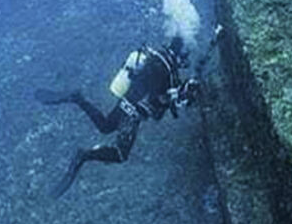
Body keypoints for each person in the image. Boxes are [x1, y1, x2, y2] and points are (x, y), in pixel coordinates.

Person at [37, 35, 201, 198]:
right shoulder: (169, 73)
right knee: (120, 154)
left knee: (106, 126)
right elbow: (160, 101)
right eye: (184, 56)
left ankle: (77, 98)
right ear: (179, 54)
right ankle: (84, 155)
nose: (184, 61)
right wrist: (182, 93)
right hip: (134, 112)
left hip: (126, 101)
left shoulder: (153, 57)